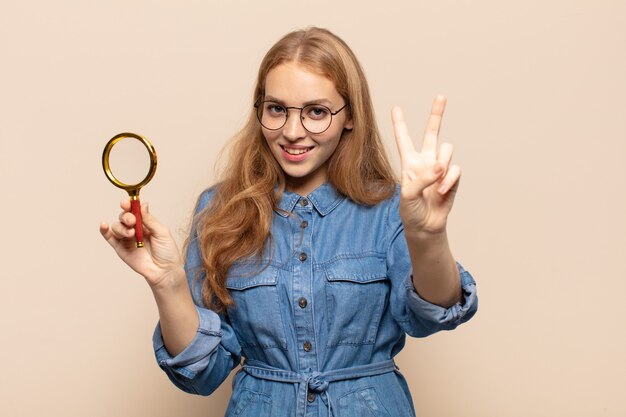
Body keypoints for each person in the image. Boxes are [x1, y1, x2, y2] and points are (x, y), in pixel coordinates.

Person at [100, 27, 477, 417]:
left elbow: (435, 313)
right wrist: (168, 284)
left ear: (350, 116)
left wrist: (428, 235)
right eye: (276, 109)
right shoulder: (218, 209)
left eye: (317, 112)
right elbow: (202, 374)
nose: (292, 132)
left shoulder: (389, 208)